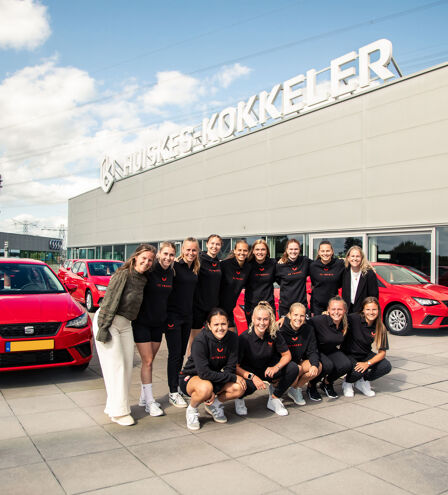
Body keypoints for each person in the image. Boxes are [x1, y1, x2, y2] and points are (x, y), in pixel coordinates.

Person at [94, 244, 156, 426]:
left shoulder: (143, 278)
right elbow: (109, 301)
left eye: (150, 260)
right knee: (117, 366)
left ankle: (111, 406)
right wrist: (103, 328)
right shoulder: (123, 274)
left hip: (126, 324)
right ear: (135, 257)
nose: (146, 262)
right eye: (144, 258)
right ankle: (119, 412)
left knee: (127, 367)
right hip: (110, 321)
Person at [179, 308, 246, 430]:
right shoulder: (200, 340)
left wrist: (215, 392)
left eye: (223, 324)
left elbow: (230, 368)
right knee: (206, 388)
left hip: (213, 378)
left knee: (239, 387)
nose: (220, 328)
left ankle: (214, 404)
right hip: (192, 377)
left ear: (228, 324)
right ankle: (192, 409)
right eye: (216, 324)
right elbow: (204, 373)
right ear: (209, 325)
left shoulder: (232, 338)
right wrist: (232, 378)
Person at [132, 242, 175, 417]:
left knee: (149, 361)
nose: (168, 258)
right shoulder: (150, 271)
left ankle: (144, 396)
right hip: (142, 322)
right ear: (158, 255)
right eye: (165, 254)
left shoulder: (171, 273)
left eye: (172, 255)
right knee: (148, 361)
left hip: (159, 324)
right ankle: (150, 402)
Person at [236, 301, 299, 416]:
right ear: (253, 319)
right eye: (259, 319)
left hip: (267, 370)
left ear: (269, 321)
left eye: (265, 319)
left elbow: (287, 355)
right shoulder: (244, 338)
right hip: (250, 372)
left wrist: (276, 367)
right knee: (244, 386)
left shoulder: (273, 334)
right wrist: (252, 377)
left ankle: (275, 398)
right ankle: (239, 399)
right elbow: (235, 367)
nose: (262, 323)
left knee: (293, 368)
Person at [165, 237, 200, 408]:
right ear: (182, 250)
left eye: (194, 250)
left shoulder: (194, 268)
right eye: (188, 250)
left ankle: (177, 387)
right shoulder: (175, 267)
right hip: (173, 317)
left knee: (181, 355)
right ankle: (172, 392)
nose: (191, 253)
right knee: (175, 354)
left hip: (188, 317)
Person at [341, 297, 392, 397]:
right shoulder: (353, 318)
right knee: (358, 371)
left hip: (365, 354)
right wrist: (326, 315)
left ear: (378, 310)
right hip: (349, 354)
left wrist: (367, 363)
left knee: (386, 366)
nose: (371, 312)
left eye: (374, 309)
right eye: (368, 309)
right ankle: (347, 383)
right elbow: (338, 318)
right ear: (363, 310)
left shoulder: (380, 326)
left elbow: (382, 353)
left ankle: (363, 381)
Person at [308, 296, 352, 401]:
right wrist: (285, 319)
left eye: (340, 309)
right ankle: (311, 385)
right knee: (328, 366)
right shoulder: (319, 320)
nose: (336, 312)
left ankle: (326, 383)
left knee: (346, 364)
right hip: (317, 351)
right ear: (328, 310)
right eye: (333, 309)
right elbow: (302, 322)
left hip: (330, 350)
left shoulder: (345, 323)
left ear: (345, 310)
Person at [278, 303, 322, 405]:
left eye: (302, 315)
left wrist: (314, 365)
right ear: (289, 315)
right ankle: (277, 389)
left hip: (297, 363)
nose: (299, 318)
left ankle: (295, 389)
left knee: (318, 367)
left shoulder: (308, 330)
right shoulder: (281, 329)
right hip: (283, 365)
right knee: (296, 369)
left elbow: (313, 351)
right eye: (295, 315)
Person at [187, 234, 223, 355]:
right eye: (212, 243)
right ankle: (189, 368)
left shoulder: (219, 263)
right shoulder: (199, 259)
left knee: (210, 341)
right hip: (198, 307)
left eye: (217, 244)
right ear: (207, 244)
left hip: (212, 308)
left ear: (221, 246)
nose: (214, 246)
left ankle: (206, 367)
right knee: (195, 341)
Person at [219, 240, 251, 332]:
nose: (242, 253)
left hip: (230, 309)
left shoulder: (248, 267)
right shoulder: (224, 265)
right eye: (239, 250)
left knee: (232, 338)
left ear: (248, 252)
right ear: (235, 251)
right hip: (218, 308)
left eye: (245, 250)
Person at [276, 239, 311, 317]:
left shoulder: (305, 261)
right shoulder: (280, 266)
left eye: (296, 249)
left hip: (302, 306)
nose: (293, 251)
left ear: (299, 250)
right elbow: (279, 281)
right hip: (286, 307)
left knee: (306, 328)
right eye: (291, 249)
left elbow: (318, 265)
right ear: (286, 250)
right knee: (285, 329)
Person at [244, 239, 276, 323]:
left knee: (270, 333)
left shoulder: (273, 264)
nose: (260, 252)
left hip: (268, 305)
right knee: (253, 332)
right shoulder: (247, 265)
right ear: (253, 251)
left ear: (267, 251)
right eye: (257, 249)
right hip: (251, 306)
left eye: (263, 249)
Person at [309, 240, 345, 316]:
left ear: (332, 252)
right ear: (318, 252)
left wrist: (368, 267)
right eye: (322, 251)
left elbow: (354, 262)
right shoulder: (313, 266)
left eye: (328, 251)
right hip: (317, 306)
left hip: (334, 305)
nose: (325, 253)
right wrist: (283, 259)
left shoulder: (339, 263)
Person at [342, 246, 379, 313]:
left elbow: (373, 296)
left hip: (363, 312)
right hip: (347, 312)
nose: (355, 259)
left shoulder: (369, 274)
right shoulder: (344, 272)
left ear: (362, 258)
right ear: (348, 257)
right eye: (352, 256)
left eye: (357, 256)